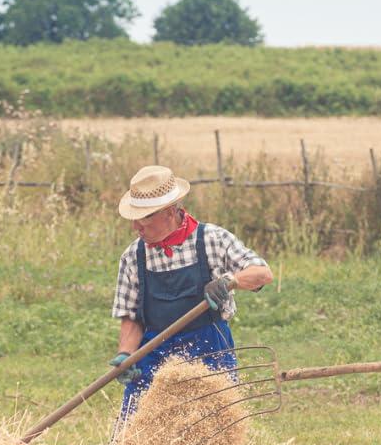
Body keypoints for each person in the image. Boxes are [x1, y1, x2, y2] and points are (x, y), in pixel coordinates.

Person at [110, 164, 273, 416]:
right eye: (134, 218)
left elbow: (262, 273)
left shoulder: (212, 240)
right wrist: (125, 355)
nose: (136, 227)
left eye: (145, 218)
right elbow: (131, 318)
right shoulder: (133, 256)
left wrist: (229, 281)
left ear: (169, 211)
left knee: (214, 434)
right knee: (134, 440)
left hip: (208, 354)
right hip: (154, 357)